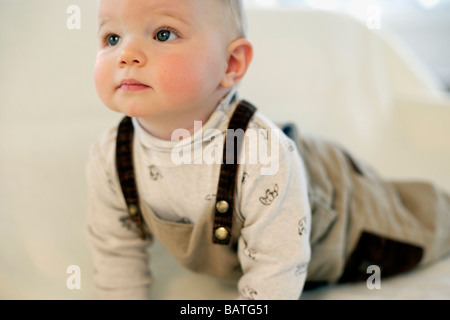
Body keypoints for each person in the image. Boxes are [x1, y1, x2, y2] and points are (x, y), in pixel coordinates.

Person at [86, 0, 450, 300]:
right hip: (286, 167)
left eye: (163, 33)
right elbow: (115, 249)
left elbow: (277, 267)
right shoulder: (111, 158)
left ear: (231, 64)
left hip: (341, 208)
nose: (126, 54)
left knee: (423, 220)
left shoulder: (261, 154)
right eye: (112, 37)